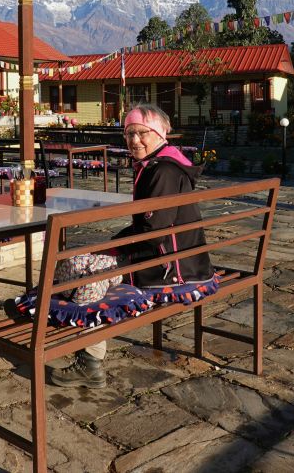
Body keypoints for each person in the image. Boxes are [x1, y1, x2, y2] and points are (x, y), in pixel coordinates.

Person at [50, 103, 210, 389]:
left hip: (169, 268)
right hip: (181, 259)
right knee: (85, 261)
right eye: (129, 134)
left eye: (141, 133)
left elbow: (153, 234)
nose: (134, 140)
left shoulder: (162, 172)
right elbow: (149, 228)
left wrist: (116, 251)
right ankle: (82, 342)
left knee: (85, 272)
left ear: (160, 134)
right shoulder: (161, 165)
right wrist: (113, 246)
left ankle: (89, 360)